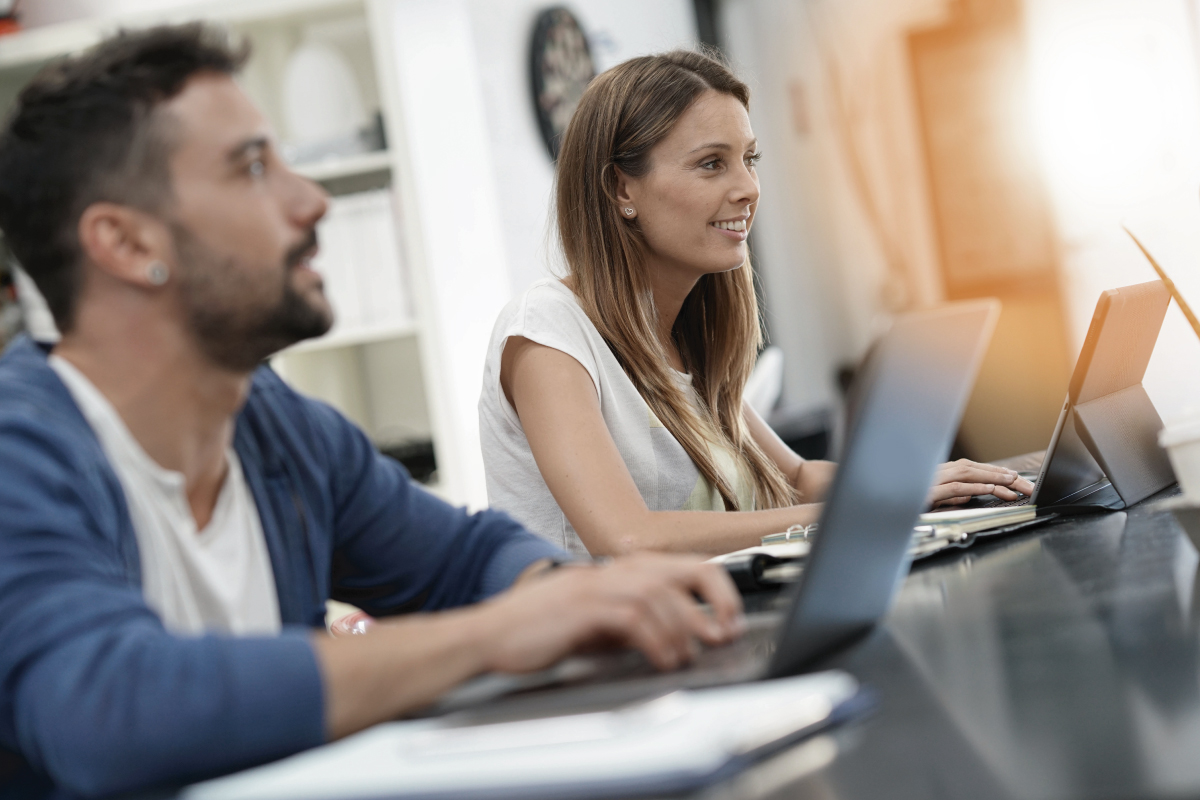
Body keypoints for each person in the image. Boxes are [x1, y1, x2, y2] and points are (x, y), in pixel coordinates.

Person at [0, 25, 746, 798]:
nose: (311, 198)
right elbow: (110, 713)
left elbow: (460, 562)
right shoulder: (20, 453)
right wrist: (502, 631)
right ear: (123, 241)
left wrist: (573, 597)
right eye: (253, 168)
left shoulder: (276, 429)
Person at [479, 50, 1034, 558]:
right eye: (711, 163)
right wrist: (864, 511)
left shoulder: (680, 341)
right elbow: (629, 537)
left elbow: (795, 477)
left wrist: (909, 483)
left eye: (749, 158)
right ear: (622, 190)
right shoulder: (548, 331)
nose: (748, 187)